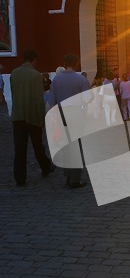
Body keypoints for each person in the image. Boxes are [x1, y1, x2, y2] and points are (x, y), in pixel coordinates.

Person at [10, 49, 54, 186]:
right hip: (32, 116)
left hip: (18, 116)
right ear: (34, 60)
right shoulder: (35, 75)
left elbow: (13, 94)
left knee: (20, 149)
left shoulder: (14, 74)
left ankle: (20, 177)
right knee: (37, 145)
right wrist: (41, 118)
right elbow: (38, 100)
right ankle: (46, 167)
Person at [49, 53, 91, 188]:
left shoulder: (56, 80)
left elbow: (52, 101)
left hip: (61, 114)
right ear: (76, 63)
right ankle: (75, 178)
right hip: (76, 114)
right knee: (76, 146)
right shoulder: (81, 80)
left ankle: (67, 175)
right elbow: (87, 99)